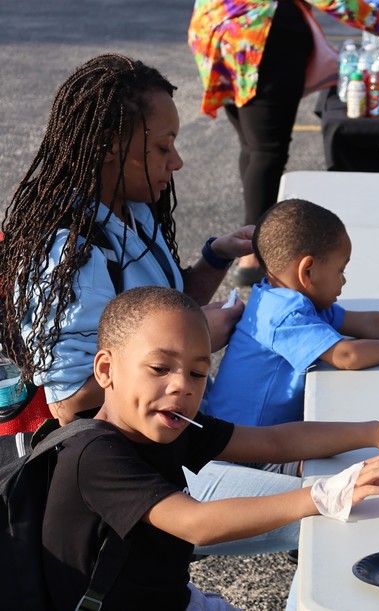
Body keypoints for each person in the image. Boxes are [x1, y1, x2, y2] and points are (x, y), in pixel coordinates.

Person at [0, 54, 302, 556]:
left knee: (318, 469)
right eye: (163, 146)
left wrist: (214, 258)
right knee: (327, 515)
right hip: (121, 478)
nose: (177, 162)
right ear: (110, 149)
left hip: (172, 434)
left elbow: (162, 309)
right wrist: (183, 352)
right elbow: (70, 402)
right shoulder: (67, 252)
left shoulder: (131, 210)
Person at [42, 286, 379, 610]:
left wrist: (374, 431)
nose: (182, 386)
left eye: (197, 372)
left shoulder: (173, 425)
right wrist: (324, 495)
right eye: (160, 368)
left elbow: (274, 441)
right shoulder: (94, 454)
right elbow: (197, 524)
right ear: (106, 371)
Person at [188, 1, 379, 287]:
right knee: (266, 150)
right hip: (259, 39)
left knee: (253, 146)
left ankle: (248, 242)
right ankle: (251, 252)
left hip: (217, 29)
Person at [207, 198, 379, 428]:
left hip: (256, 435)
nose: (343, 281)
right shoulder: (284, 317)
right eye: (340, 270)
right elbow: (347, 356)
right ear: (308, 271)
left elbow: (367, 321)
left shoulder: (287, 297)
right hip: (246, 447)